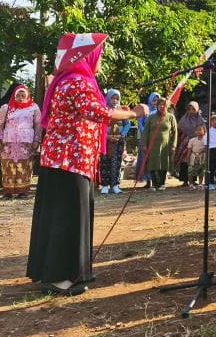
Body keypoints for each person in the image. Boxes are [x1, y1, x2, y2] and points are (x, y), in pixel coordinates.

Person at [27, 33, 146, 295]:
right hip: (70, 159)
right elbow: (97, 112)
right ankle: (60, 278)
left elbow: (90, 111)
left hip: (62, 159)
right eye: (98, 54)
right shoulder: (78, 81)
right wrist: (134, 113)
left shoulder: (67, 80)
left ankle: (70, 271)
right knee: (69, 217)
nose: (100, 59)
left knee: (62, 214)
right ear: (86, 56)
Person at [0, 85, 42, 198]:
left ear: (27, 96)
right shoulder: (6, 107)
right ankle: (8, 191)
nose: (20, 98)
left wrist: (37, 140)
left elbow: (38, 125)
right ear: (14, 96)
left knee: (25, 165)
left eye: (23, 96)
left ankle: (23, 191)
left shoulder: (33, 107)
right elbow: (0, 125)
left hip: (26, 142)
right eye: (18, 96)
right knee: (7, 164)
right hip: (8, 141)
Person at [142, 97, 178, 191]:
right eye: (160, 105)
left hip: (166, 145)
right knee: (153, 164)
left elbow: (175, 132)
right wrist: (144, 144)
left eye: (164, 105)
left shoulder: (170, 117)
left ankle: (162, 183)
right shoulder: (151, 117)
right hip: (152, 145)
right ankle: (154, 184)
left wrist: (173, 145)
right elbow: (145, 131)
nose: (162, 106)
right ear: (157, 106)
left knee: (163, 163)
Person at [99, 89, 131, 195]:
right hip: (105, 141)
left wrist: (121, 135)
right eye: (113, 98)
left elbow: (127, 124)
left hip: (118, 141)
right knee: (105, 162)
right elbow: (100, 125)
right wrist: (107, 137)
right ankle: (104, 185)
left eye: (117, 98)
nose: (115, 101)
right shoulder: (103, 110)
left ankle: (115, 185)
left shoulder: (122, 110)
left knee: (116, 163)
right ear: (108, 98)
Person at [0, 81, 23, 182]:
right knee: (6, 158)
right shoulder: (4, 104)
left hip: (21, 136)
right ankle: (5, 181)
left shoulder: (26, 104)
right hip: (7, 134)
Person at [175, 101, 206, 187]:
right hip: (185, 143)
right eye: (189, 109)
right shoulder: (183, 119)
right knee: (185, 161)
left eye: (193, 109)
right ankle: (185, 180)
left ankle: (194, 180)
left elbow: (204, 131)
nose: (191, 111)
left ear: (197, 110)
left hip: (197, 142)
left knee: (196, 161)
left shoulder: (200, 120)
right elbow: (179, 130)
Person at [135, 92, 160, 188]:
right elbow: (140, 123)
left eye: (157, 100)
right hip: (145, 139)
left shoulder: (160, 111)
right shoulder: (145, 110)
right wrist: (146, 134)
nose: (155, 102)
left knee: (154, 160)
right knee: (145, 160)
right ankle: (147, 180)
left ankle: (155, 180)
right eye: (153, 100)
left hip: (156, 139)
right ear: (150, 100)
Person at [187, 124, 208, 191]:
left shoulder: (206, 139)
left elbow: (207, 148)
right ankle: (191, 184)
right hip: (193, 156)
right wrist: (188, 158)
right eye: (197, 130)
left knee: (201, 171)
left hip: (202, 156)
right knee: (190, 170)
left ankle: (200, 184)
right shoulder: (192, 140)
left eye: (200, 130)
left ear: (204, 131)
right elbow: (189, 149)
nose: (198, 131)